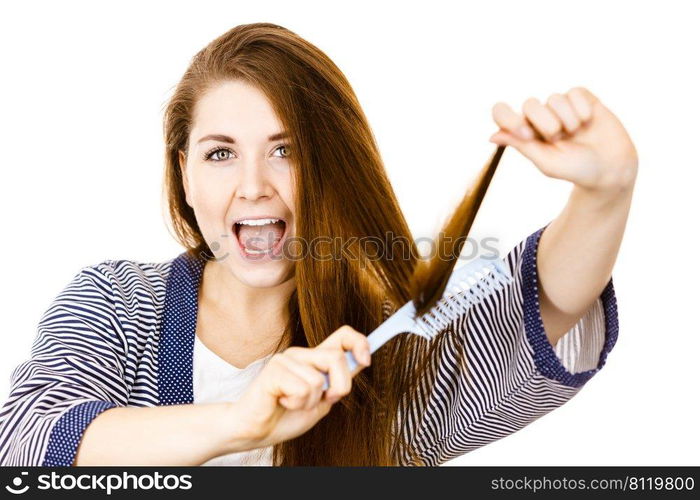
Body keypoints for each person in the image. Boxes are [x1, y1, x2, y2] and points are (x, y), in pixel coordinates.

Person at [0, 22, 636, 466]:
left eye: (286, 151)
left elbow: (547, 302)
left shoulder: (388, 353)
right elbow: (26, 443)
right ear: (185, 176)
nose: (252, 187)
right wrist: (238, 423)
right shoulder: (112, 303)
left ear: (330, 166)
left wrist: (605, 193)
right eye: (220, 154)